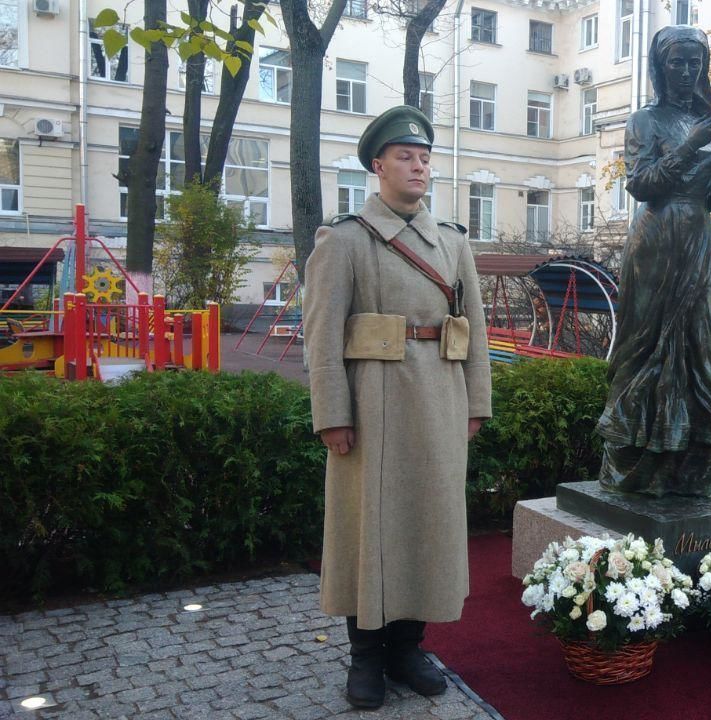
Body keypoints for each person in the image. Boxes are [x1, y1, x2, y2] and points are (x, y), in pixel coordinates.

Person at [303, 105, 492, 710]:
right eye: (406, 156)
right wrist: (332, 412)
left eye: (425, 157)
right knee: (370, 529)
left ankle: (409, 648)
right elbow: (322, 332)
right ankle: (365, 657)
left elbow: (476, 331)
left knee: (428, 526)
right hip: (371, 406)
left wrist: (476, 403)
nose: (419, 166)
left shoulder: (453, 243)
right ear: (377, 166)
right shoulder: (347, 239)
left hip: (439, 399)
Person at [595, 25, 711, 497]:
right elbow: (641, 185)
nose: (686, 71)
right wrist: (688, 146)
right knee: (646, 345)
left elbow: (708, 196)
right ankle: (631, 468)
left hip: (699, 240)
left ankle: (688, 466)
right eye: (676, 63)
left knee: (700, 342)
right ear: (660, 67)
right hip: (657, 243)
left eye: (694, 63)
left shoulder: (704, 120)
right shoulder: (646, 120)